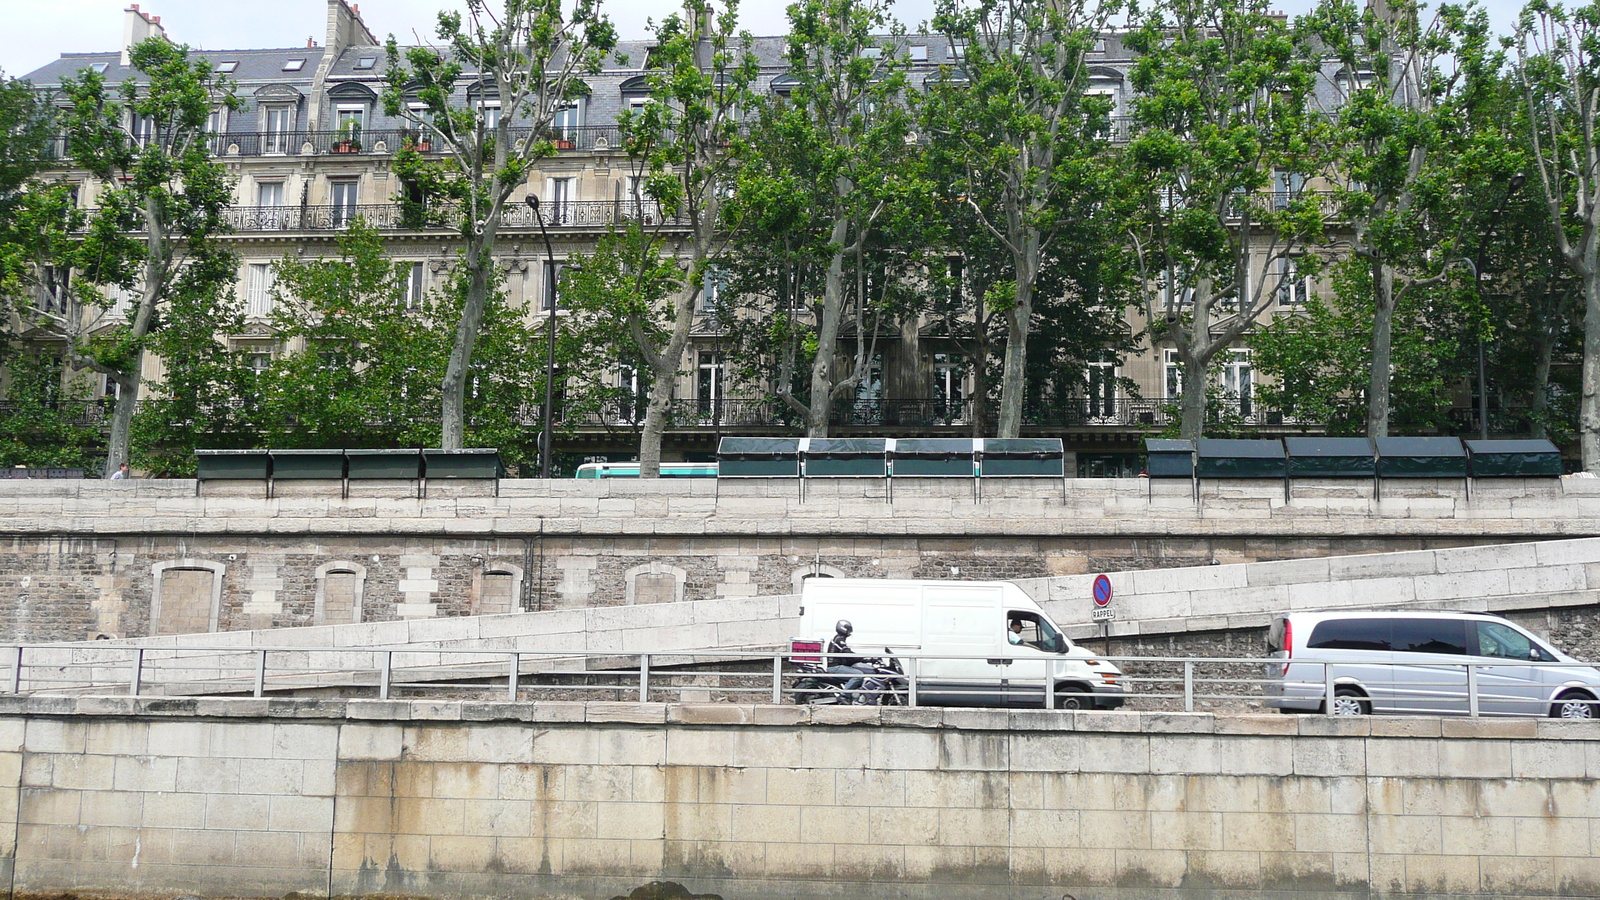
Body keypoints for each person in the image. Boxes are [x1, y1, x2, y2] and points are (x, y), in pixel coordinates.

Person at [826, 619, 870, 699]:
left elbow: (847, 654)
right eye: (849, 629)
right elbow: (847, 653)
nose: (850, 632)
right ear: (843, 628)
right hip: (835, 667)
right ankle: (843, 695)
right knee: (858, 675)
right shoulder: (839, 639)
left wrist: (862, 659)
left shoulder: (839, 639)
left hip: (837, 666)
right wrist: (864, 659)